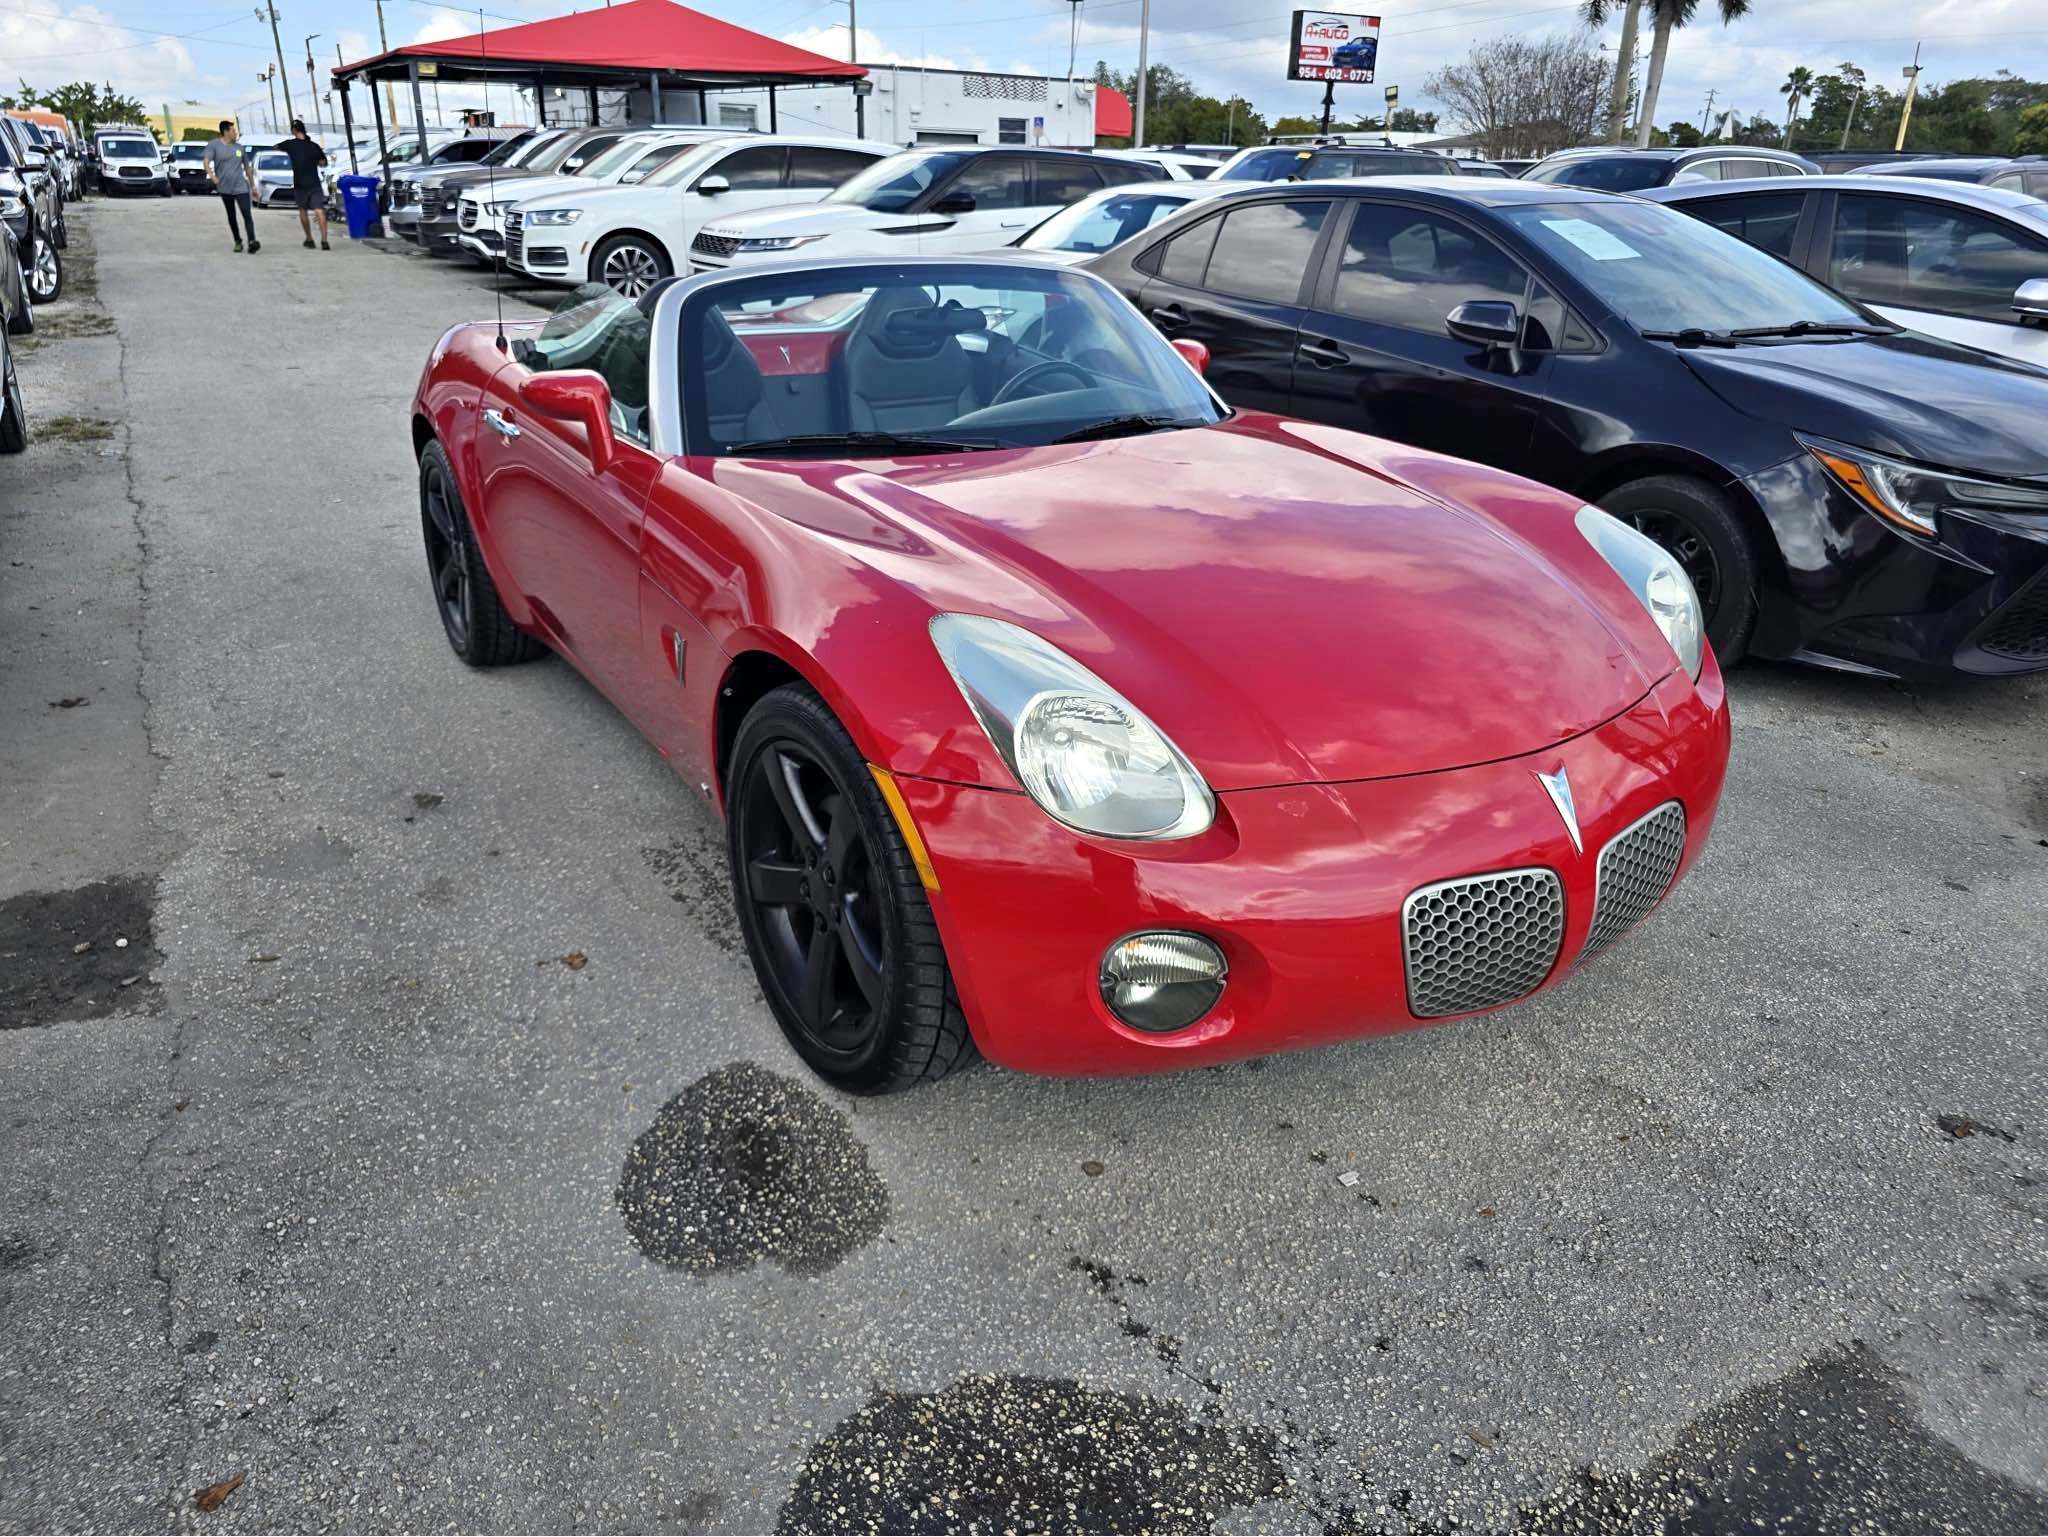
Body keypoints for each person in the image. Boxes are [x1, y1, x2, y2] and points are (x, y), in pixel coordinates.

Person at [204, 120, 258, 254]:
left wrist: (253, 186)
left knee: (247, 214)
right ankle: (237, 241)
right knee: (231, 215)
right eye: (233, 130)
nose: (235, 133)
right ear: (226, 132)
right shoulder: (214, 146)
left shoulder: (240, 148)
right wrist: (212, 176)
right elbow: (206, 162)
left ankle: (252, 241)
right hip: (225, 188)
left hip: (241, 187)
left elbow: (247, 168)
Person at [275, 120, 330, 250]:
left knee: (303, 210)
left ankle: (309, 239)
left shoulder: (290, 144)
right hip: (314, 183)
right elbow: (323, 163)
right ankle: (324, 240)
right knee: (319, 210)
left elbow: (276, 147)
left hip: (300, 184)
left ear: (294, 130)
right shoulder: (314, 146)